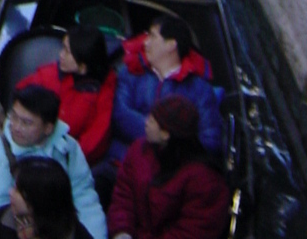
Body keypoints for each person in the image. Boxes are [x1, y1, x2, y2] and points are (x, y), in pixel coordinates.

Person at [0, 83, 108, 239]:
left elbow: (83, 195)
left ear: (48, 128)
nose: (16, 127)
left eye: (26, 123)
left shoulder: (67, 147)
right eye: (14, 117)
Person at [108, 98, 229, 239]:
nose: (146, 122)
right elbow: (123, 196)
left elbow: (193, 231)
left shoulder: (205, 180)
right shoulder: (139, 151)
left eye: (152, 121)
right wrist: (122, 231)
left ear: (166, 134)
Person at [110, 16, 222, 163]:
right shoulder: (131, 73)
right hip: (124, 161)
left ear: (171, 45)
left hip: (174, 170)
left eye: (153, 36)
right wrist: (156, 132)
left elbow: (210, 140)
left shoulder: (200, 90)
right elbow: (119, 115)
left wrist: (166, 141)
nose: (145, 42)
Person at [18, 28, 118, 166]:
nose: (60, 55)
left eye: (67, 52)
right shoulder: (51, 74)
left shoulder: (104, 89)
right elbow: (21, 93)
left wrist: (66, 159)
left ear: (82, 67)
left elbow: (97, 136)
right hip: (35, 145)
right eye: (63, 47)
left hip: (70, 160)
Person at [0, 157, 101, 239]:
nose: (10, 193)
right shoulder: (2, 219)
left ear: (39, 198)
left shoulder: (74, 232)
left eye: (18, 190)